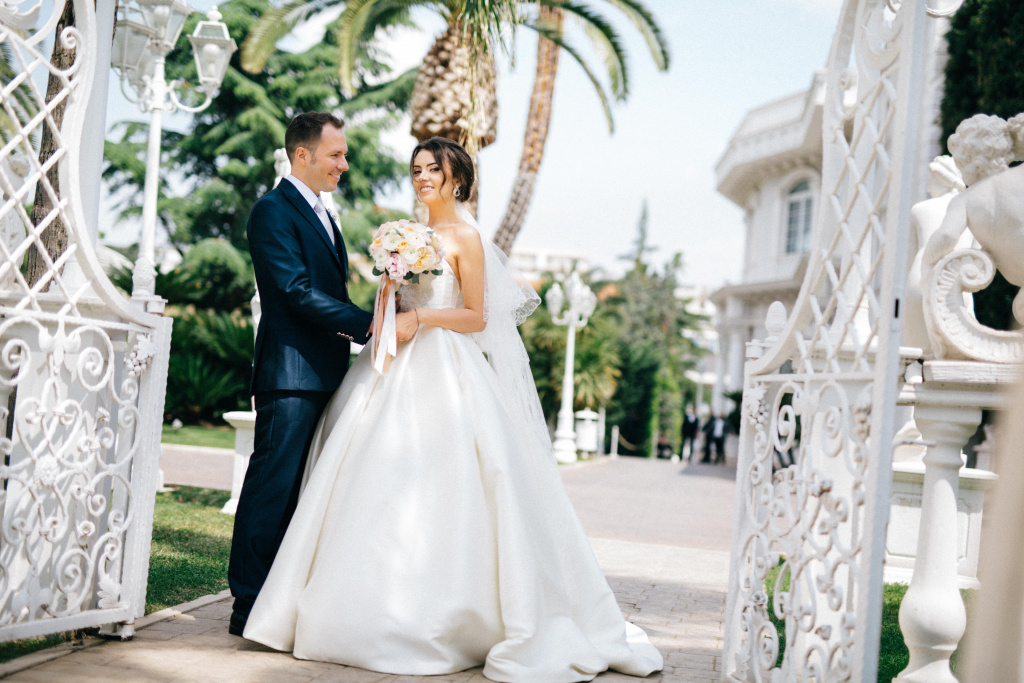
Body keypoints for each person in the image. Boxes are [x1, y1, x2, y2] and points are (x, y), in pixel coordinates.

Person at [242, 137, 663, 682]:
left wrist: (421, 319)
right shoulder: (405, 236)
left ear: (456, 179)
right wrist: (391, 298)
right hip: (390, 365)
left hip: (445, 367)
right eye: (416, 169)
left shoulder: (467, 238)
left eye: (433, 170)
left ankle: (448, 614)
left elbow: (476, 317)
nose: (422, 178)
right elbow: (393, 305)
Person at [227, 112, 373, 637]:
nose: (344, 164)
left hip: (326, 372)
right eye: (336, 154)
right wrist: (370, 323)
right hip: (290, 375)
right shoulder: (272, 210)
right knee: (272, 488)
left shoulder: (323, 211)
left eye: (344, 154)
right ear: (302, 155)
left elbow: (326, 290)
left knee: (302, 492)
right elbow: (293, 292)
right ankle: (247, 605)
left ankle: (279, 600)